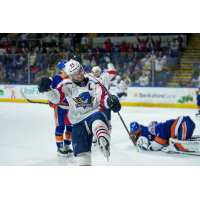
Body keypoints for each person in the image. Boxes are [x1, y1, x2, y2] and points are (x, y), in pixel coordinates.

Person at [37, 59, 121, 166]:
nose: (79, 76)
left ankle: (102, 138)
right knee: (82, 154)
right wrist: (48, 90)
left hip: (93, 112)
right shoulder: (65, 84)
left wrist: (110, 101)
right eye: (75, 74)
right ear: (70, 75)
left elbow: (102, 97)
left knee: (98, 122)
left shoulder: (94, 80)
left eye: (80, 72)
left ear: (82, 68)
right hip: (77, 120)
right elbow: (56, 98)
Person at [48, 61, 73, 156]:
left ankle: (67, 145)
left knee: (70, 127)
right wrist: (51, 101)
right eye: (66, 67)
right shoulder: (56, 78)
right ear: (62, 69)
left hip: (71, 107)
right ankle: (59, 147)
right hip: (60, 108)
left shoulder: (72, 78)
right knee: (60, 126)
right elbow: (51, 92)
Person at [91, 54, 117, 143]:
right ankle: (96, 136)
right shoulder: (90, 79)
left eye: (97, 71)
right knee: (95, 120)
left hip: (105, 101)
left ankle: (107, 136)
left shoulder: (105, 76)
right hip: (95, 103)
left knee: (107, 121)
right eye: (94, 72)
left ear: (100, 72)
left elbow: (113, 72)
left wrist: (109, 62)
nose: (95, 73)